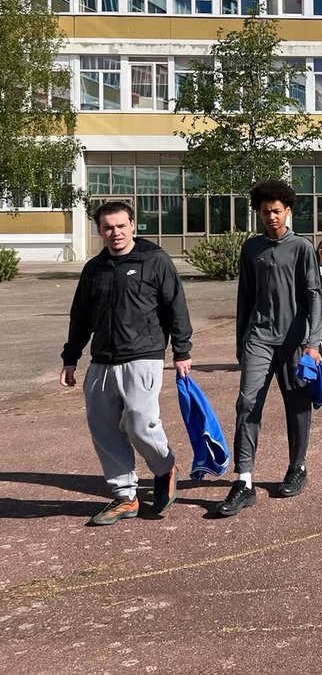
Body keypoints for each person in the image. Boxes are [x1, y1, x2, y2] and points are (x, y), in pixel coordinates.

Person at [58, 200, 192, 526]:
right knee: (104, 430)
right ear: (99, 231)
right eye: (108, 228)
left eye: (121, 226)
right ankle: (125, 497)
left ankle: (165, 467)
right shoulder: (94, 268)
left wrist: (182, 351)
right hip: (102, 359)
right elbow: (81, 317)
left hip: (143, 356)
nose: (115, 233)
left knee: (139, 422)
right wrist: (71, 358)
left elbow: (176, 306)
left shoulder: (154, 260)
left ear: (133, 225)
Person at [218, 180, 322, 518]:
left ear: (288, 211)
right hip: (258, 339)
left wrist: (313, 343)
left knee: (297, 404)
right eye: (266, 212)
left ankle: (298, 466)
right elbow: (244, 298)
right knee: (247, 403)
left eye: (277, 211)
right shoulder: (251, 249)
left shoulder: (302, 247)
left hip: (294, 341)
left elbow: (314, 296)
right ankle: (244, 481)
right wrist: (240, 343)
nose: (272, 217)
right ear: (259, 214)